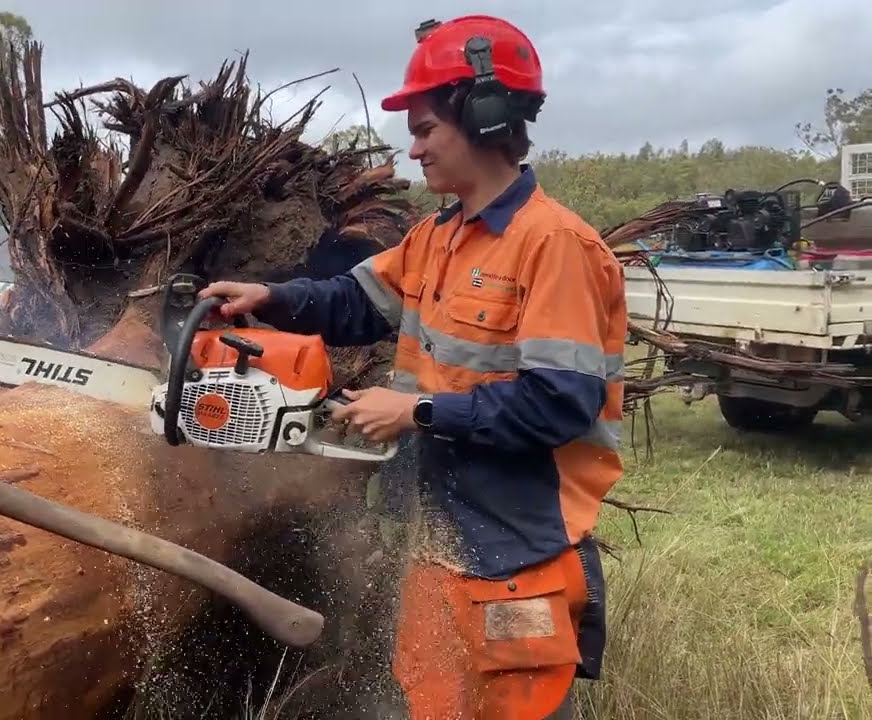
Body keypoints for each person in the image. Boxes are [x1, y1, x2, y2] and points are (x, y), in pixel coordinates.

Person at [198, 15, 626, 720]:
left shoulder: (555, 247)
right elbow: (354, 303)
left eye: (427, 128)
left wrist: (417, 411)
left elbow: (562, 403)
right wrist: (271, 296)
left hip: (520, 553)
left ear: (485, 117)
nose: (414, 146)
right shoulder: (439, 237)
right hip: (441, 537)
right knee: (429, 701)